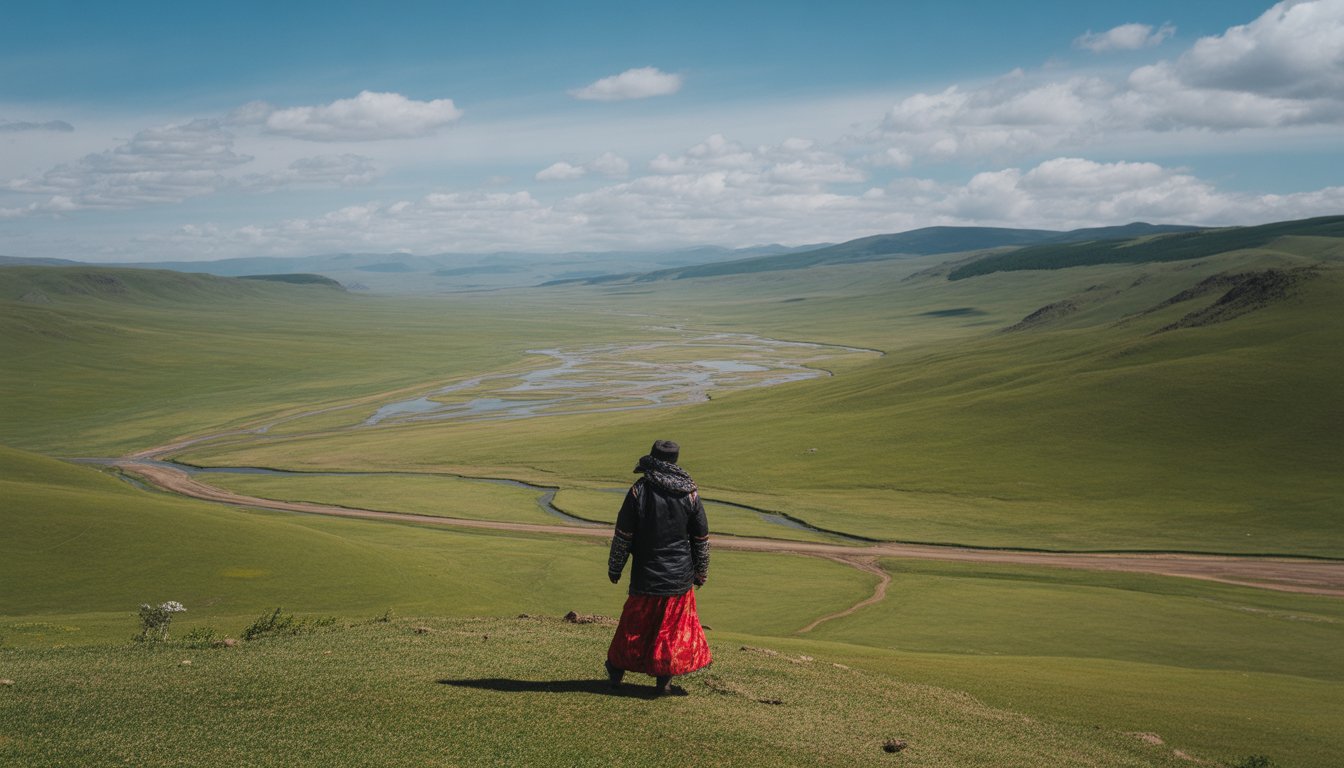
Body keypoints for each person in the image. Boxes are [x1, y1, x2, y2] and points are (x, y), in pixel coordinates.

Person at [605, 439, 712, 695]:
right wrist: (701, 571)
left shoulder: (638, 491)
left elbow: (623, 536)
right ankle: (664, 678)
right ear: (675, 461)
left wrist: (615, 567)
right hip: (679, 576)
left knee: (633, 625)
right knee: (673, 631)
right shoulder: (690, 493)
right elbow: (701, 538)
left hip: (646, 574)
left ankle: (616, 671)